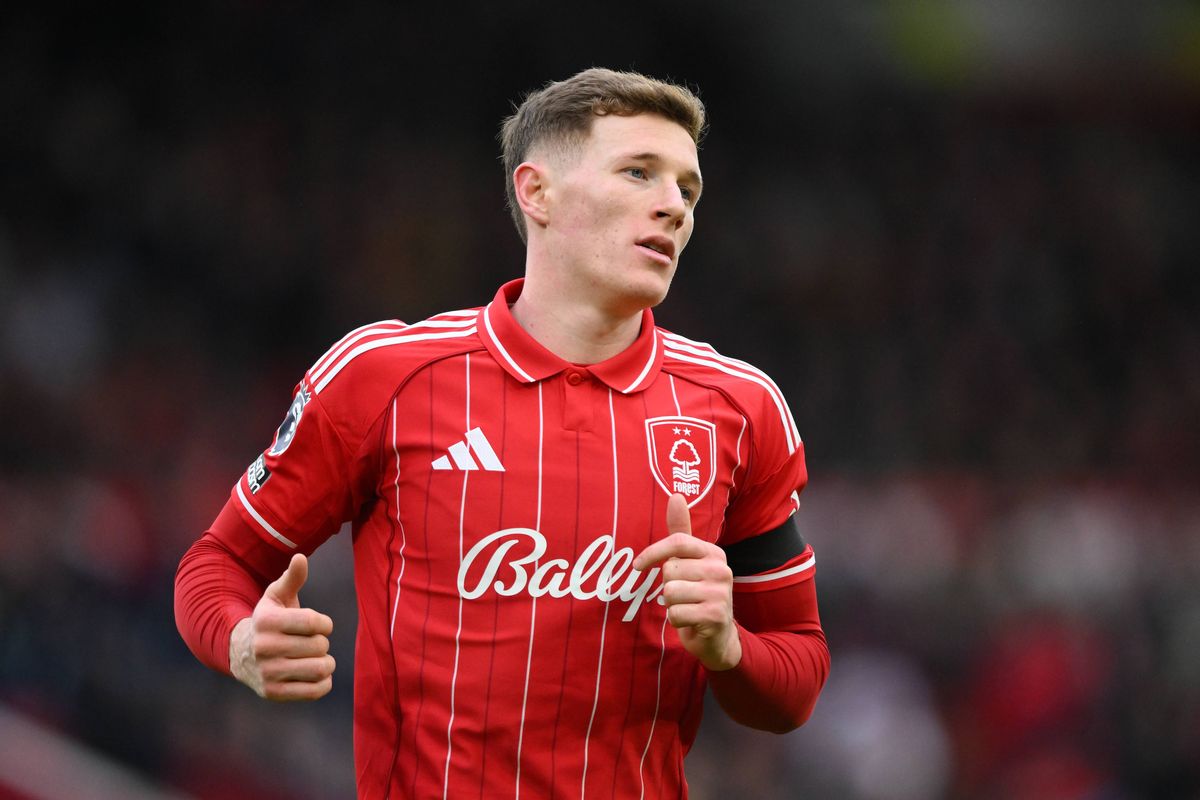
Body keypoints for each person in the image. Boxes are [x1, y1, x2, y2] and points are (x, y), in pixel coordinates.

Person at [175, 67, 829, 799]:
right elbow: (217, 564)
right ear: (536, 192)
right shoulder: (383, 377)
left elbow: (797, 677)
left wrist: (728, 648)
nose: (673, 205)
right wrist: (241, 641)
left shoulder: (739, 407)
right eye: (639, 172)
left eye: (688, 189)